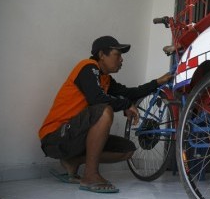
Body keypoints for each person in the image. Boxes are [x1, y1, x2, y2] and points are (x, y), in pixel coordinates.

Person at [38, 36, 172, 193]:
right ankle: (90, 176)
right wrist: (126, 104)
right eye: (118, 54)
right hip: (55, 137)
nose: (122, 60)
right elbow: (97, 99)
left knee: (128, 150)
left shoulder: (105, 79)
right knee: (104, 109)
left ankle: (73, 161)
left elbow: (130, 93)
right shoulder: (87, 67)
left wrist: (157, 82)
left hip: (75, 137)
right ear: (102, 54)